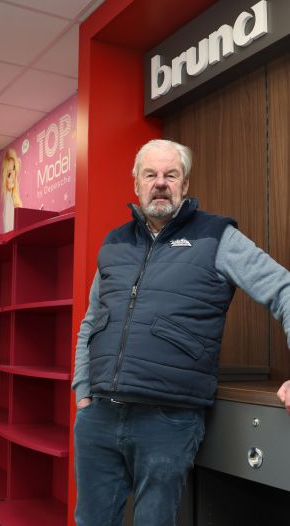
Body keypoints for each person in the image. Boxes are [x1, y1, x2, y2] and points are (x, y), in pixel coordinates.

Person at [72, 139, 290, 526]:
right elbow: (92, 320)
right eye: (150, 174)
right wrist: (83, 390)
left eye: (170, 175)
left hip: (167, 419)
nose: (160, 183)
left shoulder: (217, 236)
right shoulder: (115, 243)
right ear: (136, 183)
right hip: (100, 415)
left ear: (185, 185)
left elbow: (283, 289)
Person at [1, 148, 22, 232]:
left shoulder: (14, 197)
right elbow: (9, 230)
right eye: (9, 174)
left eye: (14, 169)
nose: (13, 176)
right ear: (5, 179)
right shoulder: (8, 199)